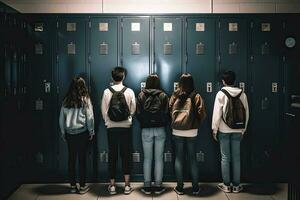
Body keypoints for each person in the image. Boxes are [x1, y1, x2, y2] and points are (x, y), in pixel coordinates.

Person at [212, 70, 249, 193]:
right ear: (234, 81)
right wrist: (243, 130)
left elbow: (217, 114)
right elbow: (246, 114)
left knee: (225, 157)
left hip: (224, 130)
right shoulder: (242, 94)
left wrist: (214, 129)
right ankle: (237, 185)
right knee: (236, 158)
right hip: (238, 130)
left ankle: (227, 185)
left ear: (223, 81)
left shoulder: (220, 94)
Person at [101, 66, 136, 195]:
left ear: (112, 77)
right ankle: (127, 186)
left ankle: (112, 186)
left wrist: (109, 122)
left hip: (111, 128)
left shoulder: (106, 91)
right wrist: (128, 119)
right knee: (126, 155)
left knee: (113, 155)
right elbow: (133, 109)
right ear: (123, 77)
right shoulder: (129, 91)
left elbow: (104, 110)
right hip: (126, 127)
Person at [169, 73, 206, 195]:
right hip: (192, 130)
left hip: (177, 130)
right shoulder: (196, 95)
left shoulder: (175, 95)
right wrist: (196, 122)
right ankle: (195, 188)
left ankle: (180, 188)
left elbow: (169, 108)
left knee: (179, 158)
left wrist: (176, 121)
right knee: (192, 159)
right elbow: (201, 113)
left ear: (180, 83)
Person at [59, 76, 94, 194]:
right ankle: (83, 186)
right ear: (83, 87)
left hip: (70, 134)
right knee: (82, 160)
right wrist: (91, 131)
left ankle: (73, 186)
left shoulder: (66, 100)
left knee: (71, 159)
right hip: (82, 133)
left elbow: (61, 119)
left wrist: (63, 132)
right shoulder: (85, 99)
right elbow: (89, 117)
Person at [136, 74, 169, 195]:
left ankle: (147, 186)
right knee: (159, 158)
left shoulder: (141, 95)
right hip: (160, 129)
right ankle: (159, 185)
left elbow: (138, 113)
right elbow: (167, 113)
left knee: (147, 158)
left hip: (146, 129)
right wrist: (161, 122)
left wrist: (145, 123)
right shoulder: (163, 95)